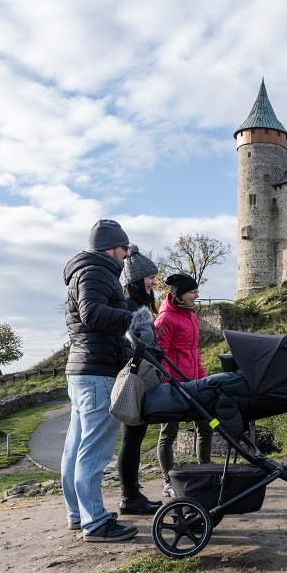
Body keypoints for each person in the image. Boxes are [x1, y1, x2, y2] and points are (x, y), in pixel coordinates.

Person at [61, 219, 138, 542]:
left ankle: (78, 514)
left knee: (76, 446)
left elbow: (92, 323)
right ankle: (95, 522)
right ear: (111, 247)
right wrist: (134, 318)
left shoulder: (86, 271)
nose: (125, 256)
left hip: (84, 368)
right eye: (124, 249)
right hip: (96, 373)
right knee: (93, 451)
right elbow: (92, 313)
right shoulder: (95, 272)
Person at [154, 273, 213, 497]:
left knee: (206, 426)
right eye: (192, 292)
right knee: (169, 431)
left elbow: (194, 353)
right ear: (179, 296)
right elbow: (161, 357)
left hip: (194, 383)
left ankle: (205, 470)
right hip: (174, 385)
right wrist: (171, 383)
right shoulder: (165, 320)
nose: (196, 295)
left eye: (196, 291)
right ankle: (168, 480)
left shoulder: (192, 317)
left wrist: (202, 380)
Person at [116, 244, 163, 515]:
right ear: (136, 280)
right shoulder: (133, 307)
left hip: (144, 373)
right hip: (137, 375)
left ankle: (132, 494)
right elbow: (136, 341)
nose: (153, 282)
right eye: (149, 277)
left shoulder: (140, 305)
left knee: (134, 435)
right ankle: (129, 497)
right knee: (132, 437)